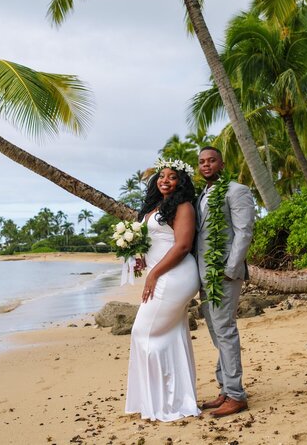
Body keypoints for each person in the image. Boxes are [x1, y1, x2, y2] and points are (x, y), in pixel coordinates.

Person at [125, 159, 202, 422]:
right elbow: (157, 241)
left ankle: (164, 402)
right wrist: (141, 260)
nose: (165, 180)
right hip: (159, 273)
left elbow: (181, 246)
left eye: (171, 176)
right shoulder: (154, 207)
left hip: (176, 275)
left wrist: (154, 274)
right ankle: (170, 399)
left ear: (181, 181)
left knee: (142, 332)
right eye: (161, 176)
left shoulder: (183, 206)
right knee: (170, 335)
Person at [194, 146, 255, 418]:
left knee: (225, 330)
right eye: (202, 162)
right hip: (204, 275)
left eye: (211, 160)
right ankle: (225, 389)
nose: (206, 165)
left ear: (222, 163)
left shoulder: (236, 190)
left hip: (224, 275)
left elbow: (244, 232)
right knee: (216, 333)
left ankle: (236, 395)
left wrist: (230, 269)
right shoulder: (202, 196)